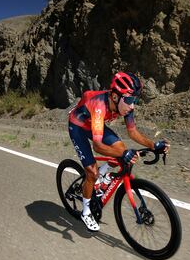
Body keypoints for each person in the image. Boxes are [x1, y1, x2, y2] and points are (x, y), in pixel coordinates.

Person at [68, 72, 170, 231]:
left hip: (95, 125)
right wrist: (123, 155)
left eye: (135, 100)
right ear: (115, 97)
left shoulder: (126, 105)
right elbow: (97, 146)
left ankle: (104, 172)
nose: (132, 105)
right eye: (129, 100)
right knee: (92, 172)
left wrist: (153, 145)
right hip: (78, 126)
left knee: (121, 148)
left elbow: (133, 132)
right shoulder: (99, 107)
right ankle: (86, 212)